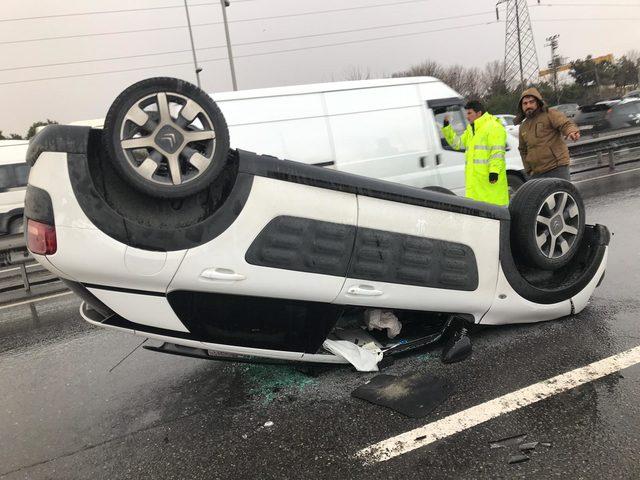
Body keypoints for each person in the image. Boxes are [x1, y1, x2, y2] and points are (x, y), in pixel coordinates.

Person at [442, 100, 509, 206]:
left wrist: (494, 171)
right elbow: (457, 144)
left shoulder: (494, 127)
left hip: (490, 184)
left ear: (479, 113)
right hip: (475, 186)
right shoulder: (471, 129)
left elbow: (497, 151)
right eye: (466, 114)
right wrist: (447, 127)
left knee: (494, 216)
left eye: (469, 113)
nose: (467, 117)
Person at [515, 88, 580, 181]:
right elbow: (523, 150)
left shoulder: (550, 114)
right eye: (525, 103)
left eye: (531, 102)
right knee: (542, 196)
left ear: (538, 102)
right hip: (537, 173)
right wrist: (529, 170)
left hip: (557, 167)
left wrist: (571, 132)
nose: (528, 105)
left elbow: (565, 124)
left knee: (562, 195)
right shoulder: (523, 126)